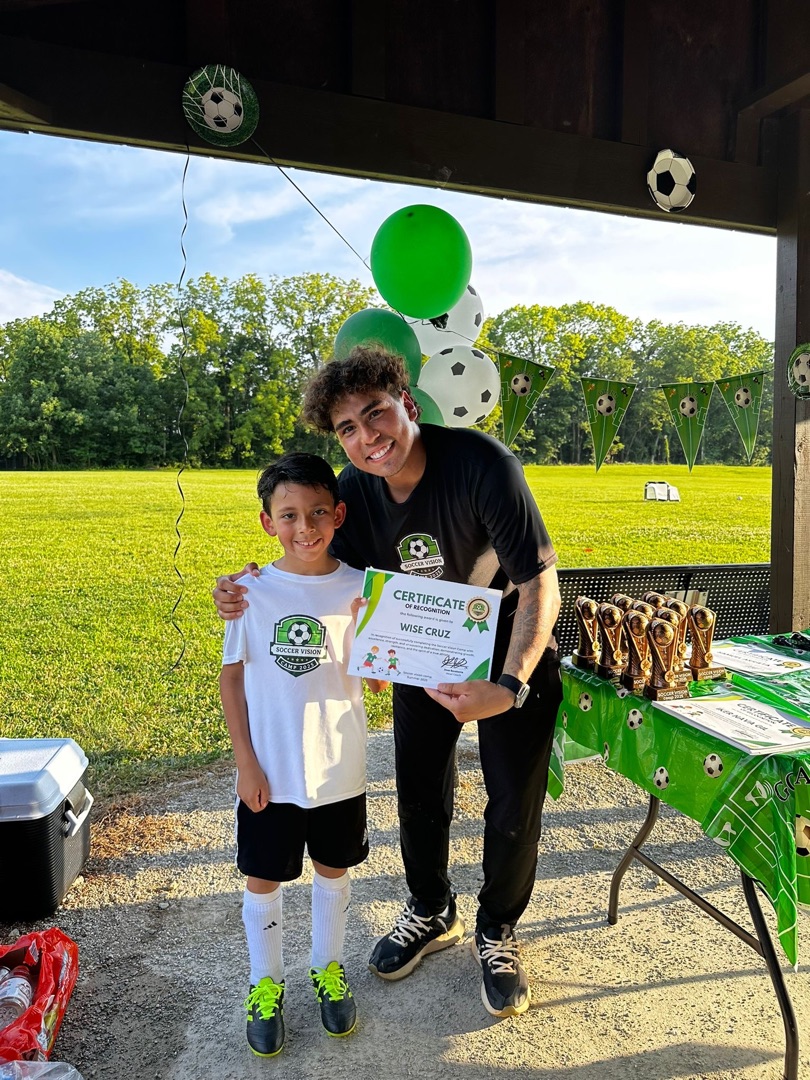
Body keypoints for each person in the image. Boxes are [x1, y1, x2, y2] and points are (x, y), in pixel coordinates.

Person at [214, 348, 562, 1019]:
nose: (367, 436)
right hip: (423, 643)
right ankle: (433, 909)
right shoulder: (355, 489)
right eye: (347, 427)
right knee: (419, 787)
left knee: (514, 799)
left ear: (407, 400)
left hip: (511, 642)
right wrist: (244, 588)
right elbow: (312, 567)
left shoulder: (483, 465)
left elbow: (538, 579)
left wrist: (511, 684)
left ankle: (497, 927)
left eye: (376, 413)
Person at [219, 451, 386, 1057]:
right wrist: (245, 761)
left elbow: (374, 677)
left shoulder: (360, 586)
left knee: (332, 870)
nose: (305, 527)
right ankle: (266, 983)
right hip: (270, 770)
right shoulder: (249, 592)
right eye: (288, 514)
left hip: (339, 768)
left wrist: (379, 653)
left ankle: (328, 967)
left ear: (339, 514)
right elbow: (232, 678)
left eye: (318, 511)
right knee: (263, 875)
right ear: (267, 522)